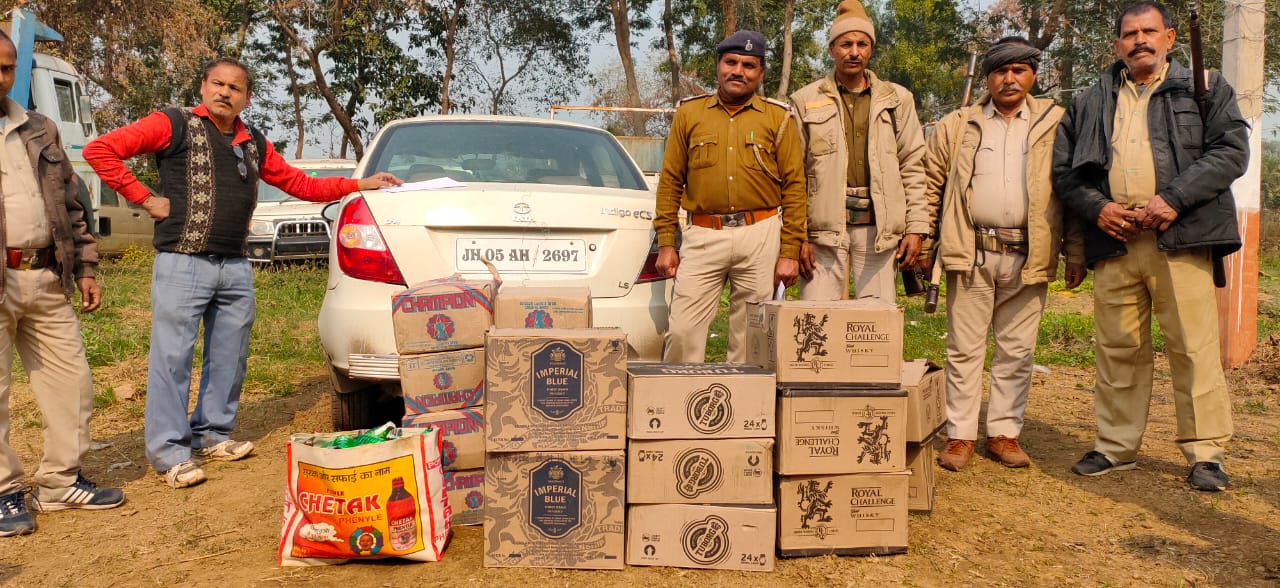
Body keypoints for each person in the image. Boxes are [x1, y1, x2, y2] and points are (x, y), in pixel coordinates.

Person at [84, 57, 402, 490]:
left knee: (230, 355)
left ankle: (212, 434)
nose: (224, 92)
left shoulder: (253, 142)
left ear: (246, 98)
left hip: (234, 265)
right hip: (182, 260)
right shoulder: (173, 124)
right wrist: (145, 198)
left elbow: (300, 184)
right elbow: (99, 150)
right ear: (202, 87)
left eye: (235, 88)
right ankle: (170, 453)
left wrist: (360, 184)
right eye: (217, 84)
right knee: (172, 360)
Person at [1053, 1, 1248, 491]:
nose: (1139, 40)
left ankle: (1206, 454)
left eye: (1149, 31)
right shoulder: (1091, 100)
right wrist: (1099, 208)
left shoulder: (1204, 87)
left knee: (1194, 347)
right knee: (1118, 349)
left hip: (1180, 238)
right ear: (1117, 43)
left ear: (1169, 37)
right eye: (1129, 34)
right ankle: (1115, 446)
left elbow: (1231, 151)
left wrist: (1173, 199)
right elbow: (1066, 173)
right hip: (1115, 241)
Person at [925, 37, 1086, 472]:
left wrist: (1075, 251)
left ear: (1033, 74)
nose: (1009, 79)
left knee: (1017, 350)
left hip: (1029, 255)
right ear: (988, 77)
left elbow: (1070, 190)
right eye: (1001, 71)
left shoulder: (1056, 123)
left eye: (1019, 70)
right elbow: (930, 184)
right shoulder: (959, 124)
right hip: (971, 251)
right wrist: (925, 242)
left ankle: (1003, 433)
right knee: (964, 350)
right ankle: (960, 435)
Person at [0, 32, 125, 536]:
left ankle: (60, 482)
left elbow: (73, 205)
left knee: (72, 382)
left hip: (46, 274)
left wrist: (85, 267)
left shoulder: (40, 127)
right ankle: (4, 492)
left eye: (7, 68)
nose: (1, 77)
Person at [653, 31, 806, 363]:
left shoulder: (778, 117)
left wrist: (789, 251)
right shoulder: (690, 114)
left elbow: (795, 186)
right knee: (682, 332)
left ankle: (742, 397)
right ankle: (680, 394)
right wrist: (666, 242)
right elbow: (670, 181)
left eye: (748, 65)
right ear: (719, 66)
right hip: (704, 235)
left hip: (760, 234)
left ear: (760, 73)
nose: (738, 71)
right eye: (731, 62)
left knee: (751, 338)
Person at [789, 0, 929, 301]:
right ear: (831, 49)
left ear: (871, 49)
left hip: (879, 231)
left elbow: (913, 166)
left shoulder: (897, 100)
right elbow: (794, 174)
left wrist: (915, 228)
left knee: (875, 321)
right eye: (846, 44)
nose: (854, 52)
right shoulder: (805, 100)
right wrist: (797, 236)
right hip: (823, 233)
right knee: (817, 318)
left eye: (862, 44)